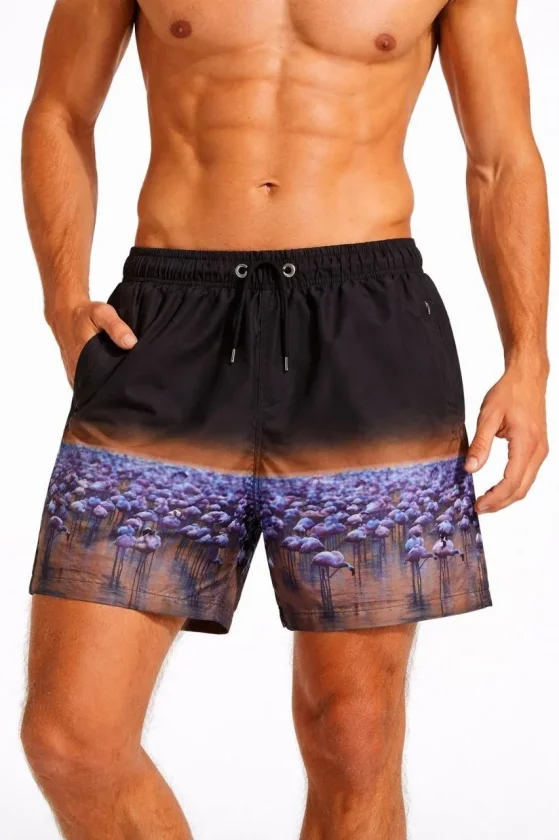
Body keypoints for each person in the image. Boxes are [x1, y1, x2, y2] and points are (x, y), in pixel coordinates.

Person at [20, 1, 549, 838]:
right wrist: (62, 298)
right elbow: (59, 108)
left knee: (353, 737)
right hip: (167, 322)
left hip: (366, 323)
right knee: (70, 740)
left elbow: (500, 156)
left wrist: (528, 359)